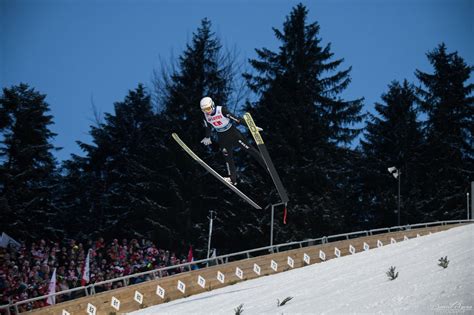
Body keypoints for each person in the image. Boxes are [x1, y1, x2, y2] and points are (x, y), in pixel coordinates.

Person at [199, 96, 267, 185]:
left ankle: (266, 166)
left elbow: (237, 119)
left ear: (212, 105)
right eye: (204, 110)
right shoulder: (206, 116)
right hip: (222, 137)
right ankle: (232, 179)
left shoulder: (221, 110)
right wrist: (208, 137)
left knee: (249, 149)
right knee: (228, 158)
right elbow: (208, 127)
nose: (207, 111)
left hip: (233, 134)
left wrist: (252, 127)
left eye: (208, 108)